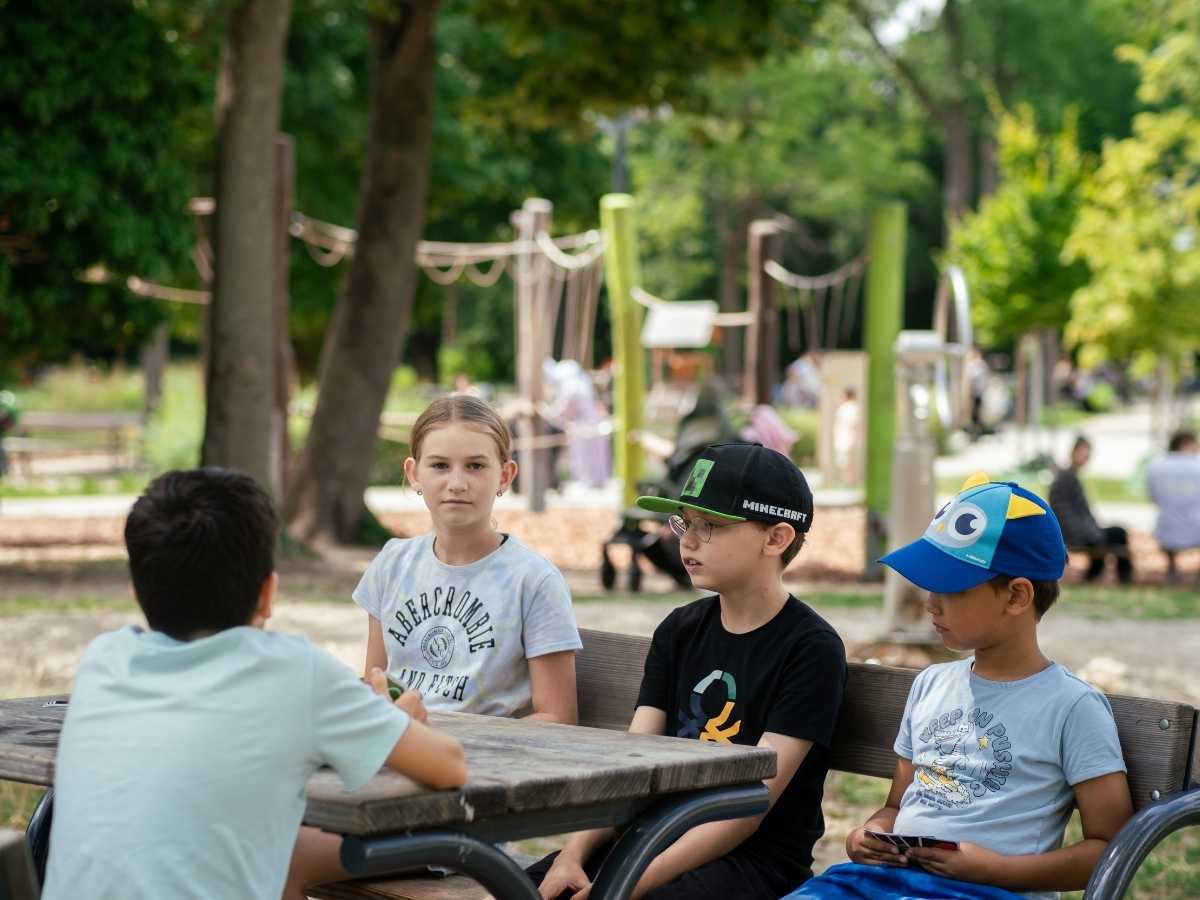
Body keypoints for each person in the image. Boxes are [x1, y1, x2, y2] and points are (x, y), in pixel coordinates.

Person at [40, 468, 467, 900]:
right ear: (268, 594)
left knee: (279, 855)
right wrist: (401, 722)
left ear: (138, 589)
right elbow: (449, 765)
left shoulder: (104, 660)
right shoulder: (295, 672)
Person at [783, 473, 1133, 900]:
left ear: (1016, 597)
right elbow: (898, 806)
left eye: (950, 586)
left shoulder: (1072, 707)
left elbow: (1109, 849)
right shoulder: (930, 684)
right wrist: (872, 833)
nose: (930, 600)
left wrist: (994, 869)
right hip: (889, 883)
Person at [528, 442, 847, 900]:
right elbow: (633, 763)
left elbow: (750, 806)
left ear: (776, 538)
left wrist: (626, 884)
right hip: (651, 838)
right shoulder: (679, 630)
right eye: (685, 523)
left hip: (750, 861)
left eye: (710, 526)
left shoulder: (811, 650)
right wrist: (572, 854)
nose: (688, 540)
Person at [295, 394, 584, 890]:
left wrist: (442, 739)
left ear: (505, 476)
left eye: (475, 465)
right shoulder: (392, 563)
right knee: (248, 826)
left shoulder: (533, 581)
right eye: (440, 465)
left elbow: (559, 719)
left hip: (463, 804)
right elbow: (376, 683)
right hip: (385, 779)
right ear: (414, 473)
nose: (457, 482)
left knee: (272, 852)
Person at [1048, 436, 1133, 583]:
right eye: (1083, 453)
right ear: (1073, 452)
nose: (1086, 458)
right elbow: (1065, 514)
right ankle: (1123, 577)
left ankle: (1096, 572)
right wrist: (1093, 534)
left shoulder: (1069, 476)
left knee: (1117, 532)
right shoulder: (1067, 478)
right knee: (1118, 534)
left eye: (1088, 455)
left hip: (1082, 532)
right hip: (1078, 535)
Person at [1146, 429, 1200, 583]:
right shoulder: (1197, 464)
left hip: (1166, 529)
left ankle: (1171, 567)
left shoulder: (1156, 465)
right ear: (1186, 444)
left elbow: (1153, 497)